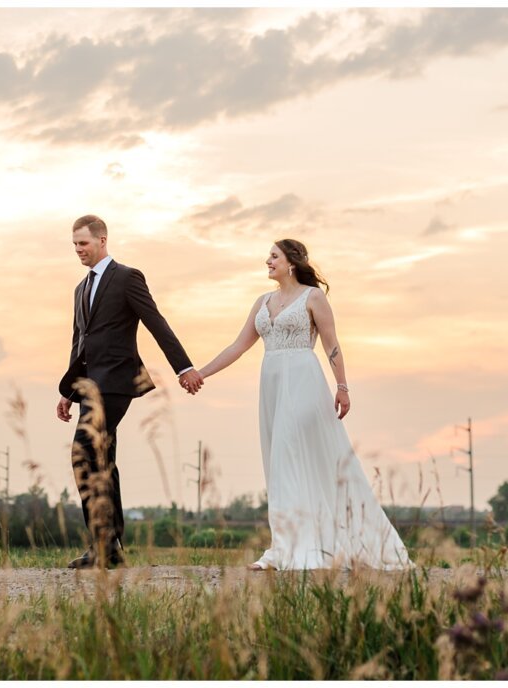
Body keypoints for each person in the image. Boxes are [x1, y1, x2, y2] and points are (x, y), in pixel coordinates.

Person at [194, 239, 412, 571]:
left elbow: (332, 345)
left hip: (303, 383)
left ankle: (289, 548)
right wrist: (201, 373)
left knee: (285, 454)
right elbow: (238, 346)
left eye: (273, 256)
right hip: (271, 386)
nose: (267, 260)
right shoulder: (262, 302)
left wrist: (342, 387)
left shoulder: (313, 297)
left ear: (291, 262)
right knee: (277, 461)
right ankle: (287, 543)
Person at [58, 214, 204, 569]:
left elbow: (156, 321)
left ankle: (107, 544)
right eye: (74, 244)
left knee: (84, 449)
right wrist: (68, 390)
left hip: (118, 382)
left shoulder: (126, 278)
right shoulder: (80, 289)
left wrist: (184, 367)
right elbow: (80, 341)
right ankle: (106, 546)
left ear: (102, 240)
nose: (78, 249)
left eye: (84, 243)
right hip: (89, 385)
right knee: (100, 459)